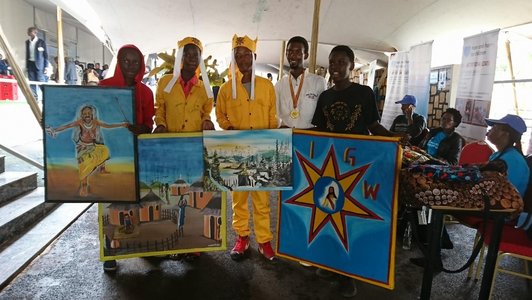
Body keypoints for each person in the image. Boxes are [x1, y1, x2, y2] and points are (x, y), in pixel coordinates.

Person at [311, 45, 400, 298]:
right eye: (332, 62)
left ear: (351, 65)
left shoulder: (364, 93)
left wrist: (394, 139)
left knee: (349, 220)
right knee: (328, 215)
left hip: (357, 167)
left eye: (341, 62)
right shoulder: (325, 97)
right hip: (329, 166)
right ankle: (331, 264)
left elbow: (373, 126)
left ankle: (349, 275)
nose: (335, 67)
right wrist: (294, 137)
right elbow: (319, 129)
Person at [216, 35, 278, 261]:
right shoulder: (225, 88)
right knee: (239, 198)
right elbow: (219, 114)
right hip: (236, 151)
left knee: (262, 199)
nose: (242, 59)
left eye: (246, 54)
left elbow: (272, 116)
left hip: (262, 151)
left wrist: (272, 145)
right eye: (237, 55)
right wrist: (228, 127)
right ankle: (242, 237)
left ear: (255, 56)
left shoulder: (267, 86)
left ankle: (264, 240)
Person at [99, 44, 156, 272]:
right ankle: (110, 252)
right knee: (112, 204)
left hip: (137, 155)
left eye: (135, 62)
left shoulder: (146, 92)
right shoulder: (104, 87)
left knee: (135, 202)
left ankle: (136, 245)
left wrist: (142, 127)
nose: (131, 66)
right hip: (113, 157)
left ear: (141, 65)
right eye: (126, 61)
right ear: (119, 62)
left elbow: (149, 124)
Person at [45, 105, 128, 197]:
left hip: (92, 146)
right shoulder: (80, 122)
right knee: (83, 167)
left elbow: (108, 126)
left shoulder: (96, 122)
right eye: (85, 114)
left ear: (92, 114)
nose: (87, 115)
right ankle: (84, 186)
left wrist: (122, 124)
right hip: (82, 148)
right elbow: (67, 126)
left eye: (89, 113)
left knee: (104, 150)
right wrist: (55, 130)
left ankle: (102, 169)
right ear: (82, 115)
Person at [153, 37, 214, 134]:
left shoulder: (205, 88)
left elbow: (206, 112)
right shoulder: (164, 82)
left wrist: (206, 121)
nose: (192, 58)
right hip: (171, 138)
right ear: (181, 57)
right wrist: (161, 124)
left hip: (195, 140)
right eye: (187, 54)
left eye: (195, 55)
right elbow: (160, 108)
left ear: (200, 59)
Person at [275, 36, 326, 129]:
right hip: (285, 136)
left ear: (305, 55)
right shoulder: (279, 85)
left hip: (309, 136)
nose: (293, 55)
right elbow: (276, 115)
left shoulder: (318, 82)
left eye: (298, 52)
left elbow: (322, 115)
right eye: (289, 51)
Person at [25, 26, 48, 98]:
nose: (28, 33)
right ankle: (35, 98)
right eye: (28, 31)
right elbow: (27, 54)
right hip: (30, 64)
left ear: (35, 33)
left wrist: (46, 66)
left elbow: (45, 55)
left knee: (41, 81)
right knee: (32, 82)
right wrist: (26, 66)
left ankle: (46, 96)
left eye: (29, 31)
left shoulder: (41, 42)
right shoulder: (27, 42)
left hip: (40, 65)